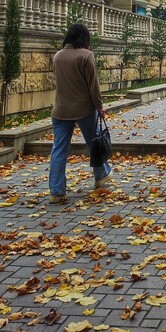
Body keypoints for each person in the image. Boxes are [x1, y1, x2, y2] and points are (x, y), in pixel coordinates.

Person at [49, 22, 111, 203]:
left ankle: (56, 191)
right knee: (94, 144)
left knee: (59, 149)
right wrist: (99, 106)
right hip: (84, 108)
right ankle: (101, 176)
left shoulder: (58, 56)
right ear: (85, 38)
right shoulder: (86, 55)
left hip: (61, 109)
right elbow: (94, 85)